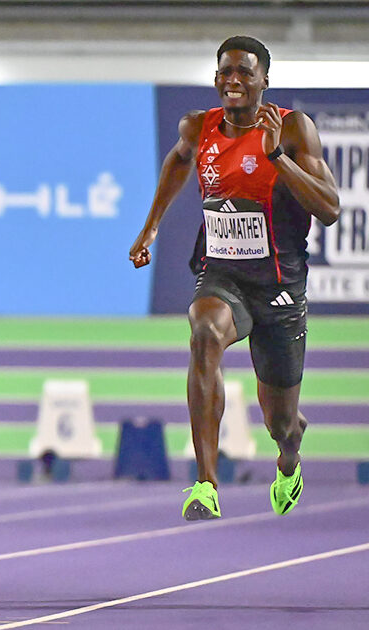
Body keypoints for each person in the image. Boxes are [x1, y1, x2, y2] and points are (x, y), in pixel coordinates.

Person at [130, 36, 340, 521]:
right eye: (225, 71)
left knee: (280, 420)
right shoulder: (198, 127)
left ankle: (289, 456)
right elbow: (179, 161)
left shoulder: (293, 130)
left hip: (281, 287)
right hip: (223, 274)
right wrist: (151, 227)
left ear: (264, 79)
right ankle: (205, 483)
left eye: (245, 72)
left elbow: (329, 209)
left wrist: (276, 159)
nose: (233, 81)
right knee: (203, 332)